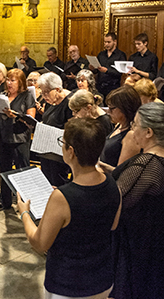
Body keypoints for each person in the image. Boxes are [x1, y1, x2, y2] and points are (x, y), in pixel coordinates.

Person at [17, 118, 121, 299]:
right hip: (102, 278)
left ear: (71, 152)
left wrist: (24, 212)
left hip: (69, 285)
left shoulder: (63, 197)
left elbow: (40, 244)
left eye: (62, 142)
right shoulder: (113, 184)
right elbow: (112, 225)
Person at [111, 102, 164, 299]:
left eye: (135, 125)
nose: (132, 130)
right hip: (157, 243)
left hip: (138, 249)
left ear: (149, 132)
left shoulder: (147, 164)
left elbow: (115, 202)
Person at [0, 69, 36, 210]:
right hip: (4, 137)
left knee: (23, 170)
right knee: (5, 170)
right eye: (8, 79)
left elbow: (31, 120)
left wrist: (15, 115)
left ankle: (26, 202)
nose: (9, 83)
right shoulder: (2, 95)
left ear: (20, 82)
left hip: (20, 138)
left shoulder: (27, 96)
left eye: (12, 80)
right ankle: (5, 199)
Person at [37, 73, 73, 186]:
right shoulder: (50, 102)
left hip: (59, 153)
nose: (43, 96)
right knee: (46, 183)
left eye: (46, 92)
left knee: (58, 184)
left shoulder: (69, 103)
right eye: (42, 92)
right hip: (46, 151)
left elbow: (71, 129)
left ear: (57, 89)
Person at [100, 86, 141, 168]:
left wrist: (97, 166)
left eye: (112, 108)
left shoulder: (131, 135)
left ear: (125, 108)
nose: (108, 111)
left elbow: (120, 172)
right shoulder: (119, 124)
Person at [93, 32, 126, 98]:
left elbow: (120, 73)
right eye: (105, 42)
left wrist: (107, 71)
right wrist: (92, 68)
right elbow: (96, 71)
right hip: (100, 87)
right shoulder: (101, 54)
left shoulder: (120, 55)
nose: (106, 44)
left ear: (115, 42)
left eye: (108, 42)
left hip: (113, 87)